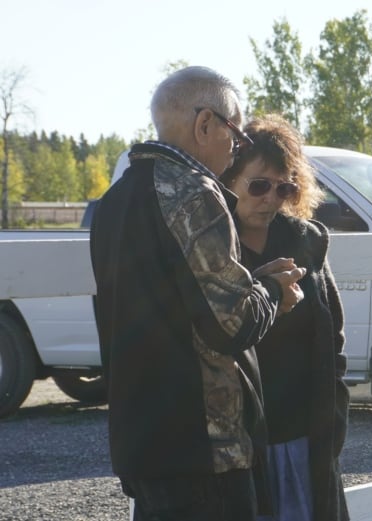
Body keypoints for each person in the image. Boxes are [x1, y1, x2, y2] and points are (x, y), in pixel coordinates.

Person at [90, 66, 306, 521]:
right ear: (205, 124)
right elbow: (232, 324)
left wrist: (252, 283)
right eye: (235, 132)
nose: (238, 146)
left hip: (144, 439)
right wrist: (272, 289)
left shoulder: (116, 200)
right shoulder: (194, 192)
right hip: (205, 451)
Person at [219, 114, 350, 521]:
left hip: (302, 441)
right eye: (259, 185)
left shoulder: (304, 241)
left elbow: (333, 340)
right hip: (238, 450)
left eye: (285, 187)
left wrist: (333, 425)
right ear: (229, 179)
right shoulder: (213, 249)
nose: (271, 198)